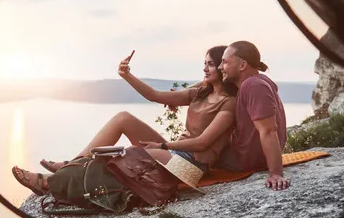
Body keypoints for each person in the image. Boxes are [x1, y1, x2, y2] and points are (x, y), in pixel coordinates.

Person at [12, 46, 238, 195]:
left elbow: (202, 143)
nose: (204, 68)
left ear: (221, 66)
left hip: (193, 168)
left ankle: (50, 184)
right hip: (173, 154)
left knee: (129, 154)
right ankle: (73, 165)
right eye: (204, 63)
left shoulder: (228, 103)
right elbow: (155, 96)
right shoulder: (200, 92)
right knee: (123, 119)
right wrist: (127, 75)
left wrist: (162, 145)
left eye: (209, 64)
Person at [217, 40, 291, 190]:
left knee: (198, 150)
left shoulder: (253, 86)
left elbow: (268, 130)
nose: (220, 67)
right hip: (248, 157)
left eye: (224, 62)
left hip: (244, 160)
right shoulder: (255, 83)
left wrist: (276, 173)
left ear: (242, 65)